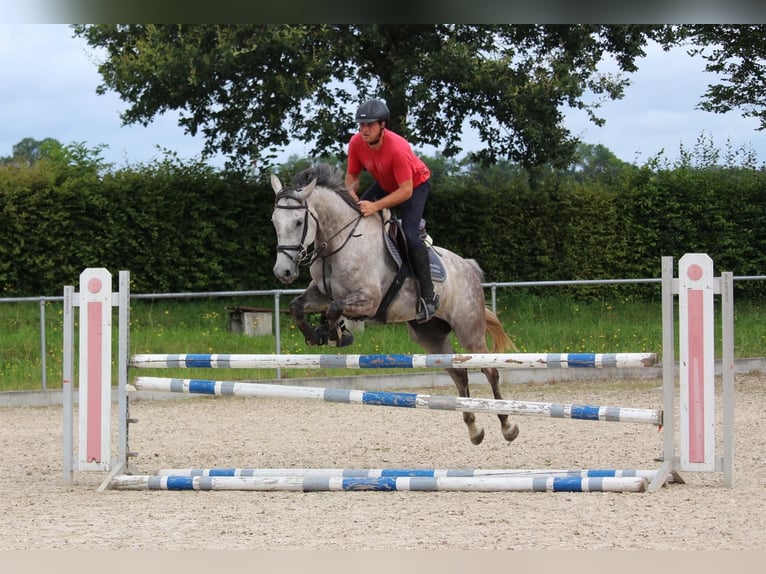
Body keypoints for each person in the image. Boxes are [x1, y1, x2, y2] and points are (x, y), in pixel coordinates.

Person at [344, 98, 440, 323]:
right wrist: (351, 194)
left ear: (382, 125)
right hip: (387, 184)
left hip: (414, 187)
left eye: (370, 125)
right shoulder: (356, 143)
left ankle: (428, 296)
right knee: (354, 219)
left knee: (409, 235)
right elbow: (352, 177)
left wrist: (375, 206)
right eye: (361, 125)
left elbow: (405, 191)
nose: (364, 130)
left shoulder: (397, 148)